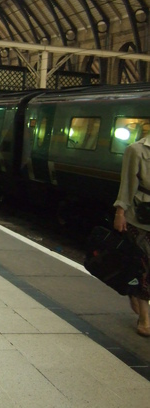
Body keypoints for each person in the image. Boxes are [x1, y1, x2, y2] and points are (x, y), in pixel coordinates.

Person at [113, 133, 150, 337]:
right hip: (141, 218)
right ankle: (145, 319)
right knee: (143, 266)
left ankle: (135, 295)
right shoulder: (136, 150)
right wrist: (120, 212)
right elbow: (127, 184)